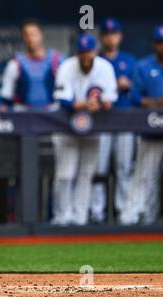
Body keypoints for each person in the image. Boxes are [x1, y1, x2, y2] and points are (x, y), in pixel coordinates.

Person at [52, 34, 117, 226]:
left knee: (86, 174)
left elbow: (111, 97)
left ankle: (80, 217)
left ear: (95, 52)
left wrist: (103, 103)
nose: (85, 56)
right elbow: (62, 100)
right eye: (81, 52)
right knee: (65, 174)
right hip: (67, 127)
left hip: (93, 128)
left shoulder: (105, 68)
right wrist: (84, 104)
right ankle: (62, 217)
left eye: (88, 52)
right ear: (77, 53)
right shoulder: (67, 67)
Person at [90, 18, 136, 223]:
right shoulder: (94, 58)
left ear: (120, 36)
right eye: (107, 34)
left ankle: (123, 211)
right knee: (98, 168)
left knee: (124, 168)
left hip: (124, 119)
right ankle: (96, 212)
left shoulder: (130, 60)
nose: (111, 37)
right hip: (101, 121)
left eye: (114, 33)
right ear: (102, 37)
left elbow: (138, 92)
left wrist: (129, 85)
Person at [122, 25, 163, 225]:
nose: (162, 46)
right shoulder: (144, 66)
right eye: (159, 42)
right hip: (151, 129)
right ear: (154, 44)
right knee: (145, 176)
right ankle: (133, 218)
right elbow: (135, 97)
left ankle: (152, 216)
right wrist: (157, 102)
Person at [0, 19, 64, 111]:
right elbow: (6, 96)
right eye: (26, 35)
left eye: (34, 34)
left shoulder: (57, 60)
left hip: (51, 115)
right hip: (23, 114)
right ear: (23, 38)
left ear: (41, 35)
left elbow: (66, 93)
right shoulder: (15, 63)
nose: (30, 38)